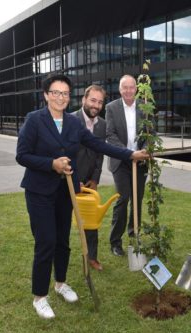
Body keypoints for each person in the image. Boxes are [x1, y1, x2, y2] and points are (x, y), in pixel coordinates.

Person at [16, 74, 148, 320]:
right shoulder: (34, 120)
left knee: (63, 241)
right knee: (46, 242)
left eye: (65, 93)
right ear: (46, 95)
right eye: (55, 92)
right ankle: (39, 297)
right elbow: (22, 155)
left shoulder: (73, 123)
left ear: (69, 97)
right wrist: (51, 164)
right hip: (39, 192)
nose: (60, 97)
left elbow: (100, 145)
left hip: (66, 192)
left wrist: (130, 155)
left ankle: (61, 283)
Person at [106, 75, 147, 257]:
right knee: (123, 199)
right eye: (125, 87)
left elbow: (150, 132)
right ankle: (115, 241)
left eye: (132, 87)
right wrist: (129, 154)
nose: (129, 90)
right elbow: (110, 134)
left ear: (136, 88)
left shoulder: (145, 107)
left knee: (137, 199)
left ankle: (134, 233)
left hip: (140, 161)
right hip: (121, 161)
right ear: (120, 89)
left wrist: (144, 150)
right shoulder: (111, 108)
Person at [72, 84, 107, 271]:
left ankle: (91, 257)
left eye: (100, 102)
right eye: (93, 100)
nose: (96, 105)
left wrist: (95, 179)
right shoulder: (70, 120)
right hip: (69, 179)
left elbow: (99, 155)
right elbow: (65, 151)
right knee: (62, 220)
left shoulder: (102, 125)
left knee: (91, 222)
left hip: (89, 182)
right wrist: (73, 178)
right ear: (84, 99)